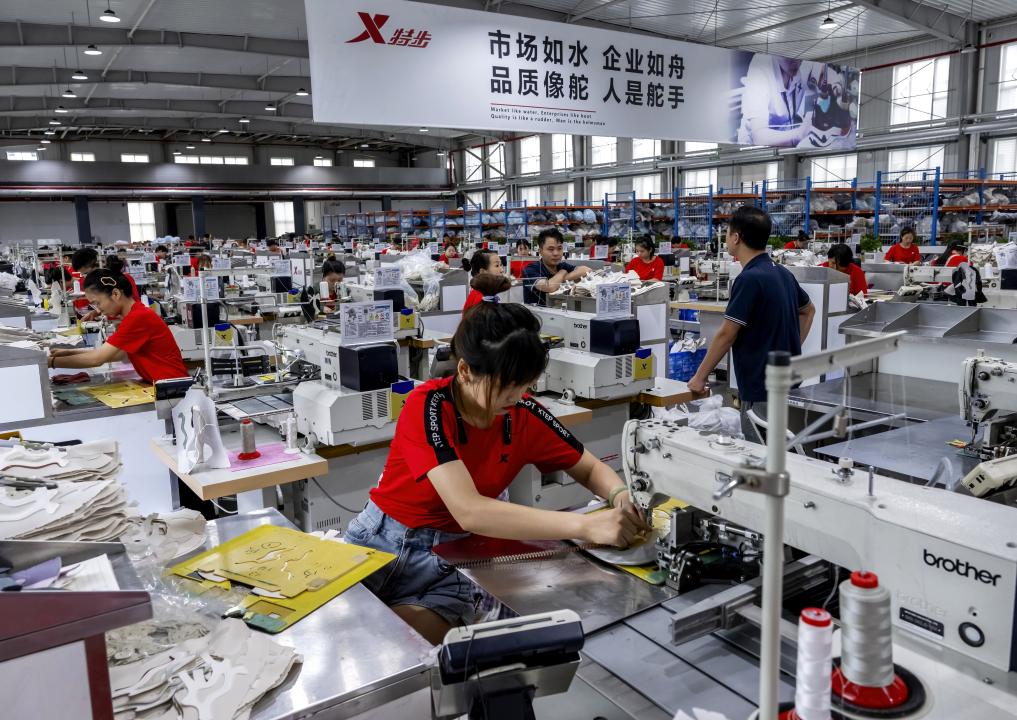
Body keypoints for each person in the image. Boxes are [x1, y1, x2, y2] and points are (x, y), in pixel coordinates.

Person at [344, 301, 647, 644]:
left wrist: (620, 496)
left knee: (423, 652)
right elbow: (470, 510)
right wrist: (586, 525)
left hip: (454, 560)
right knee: (352, 642)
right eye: (506, 386)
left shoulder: (523, 413)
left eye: (525, 385)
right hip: (382, 544)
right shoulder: (428, 406)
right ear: (464, 370)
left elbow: (589, 467)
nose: (517, 397)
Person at [687, 207, 815, 439]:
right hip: (787, 379)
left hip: (761, 386)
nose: (726, 238)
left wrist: (700, 377)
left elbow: (727, 334)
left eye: (727, 233)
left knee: (760, 450)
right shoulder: (782, 273)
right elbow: (808, 311)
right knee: (783, 445)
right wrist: (792, 347)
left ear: (736, 238)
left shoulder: (749, 279)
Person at [47, 270, 188, 384]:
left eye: (98, 303)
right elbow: (118, 354)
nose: (98, 309)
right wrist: (69, 352)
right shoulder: (134, 314)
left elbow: (97, 359)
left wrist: (51, 362)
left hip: (175, 388)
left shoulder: (137, 317)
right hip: (165, 385)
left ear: (115, 294)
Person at [521, 228, 592, 306]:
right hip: (537, 312)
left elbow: (586, 270)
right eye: (551, 249)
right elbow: (550, 287)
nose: (556, 253)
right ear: (540, 251)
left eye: (559, 248)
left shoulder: (562, 265)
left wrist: (562, 279)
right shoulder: (530, 270)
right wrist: (562, 273)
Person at [463, 249, 511, 314]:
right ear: (483, 272)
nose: (502, 270)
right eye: (497, 265)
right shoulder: (482, 298)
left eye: (501, 265)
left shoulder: (485, 292)